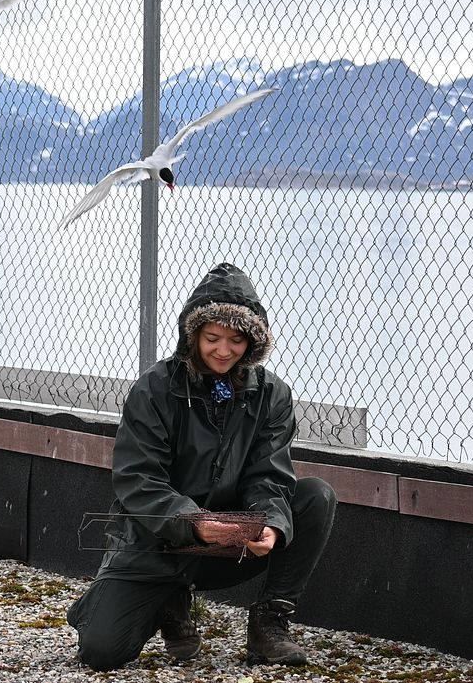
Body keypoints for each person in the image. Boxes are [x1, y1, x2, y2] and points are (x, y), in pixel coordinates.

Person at [67, 262, 337, 669]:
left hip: (229, 539)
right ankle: (160, 600)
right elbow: (138, 479)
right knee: (102, 653)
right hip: (156, 540)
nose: (224, 351)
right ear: (192, 335)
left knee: (315, 496)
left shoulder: (272, 395)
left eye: (236, 340)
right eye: (212, 338)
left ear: (252, 342)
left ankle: (270, 622)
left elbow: (270, 475)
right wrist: (192, 521)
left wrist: (274, 526)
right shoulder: (153, 389)